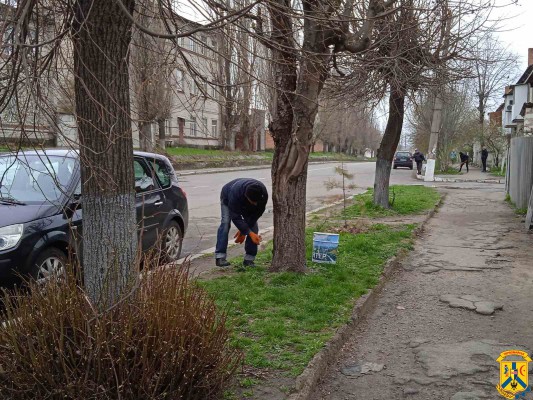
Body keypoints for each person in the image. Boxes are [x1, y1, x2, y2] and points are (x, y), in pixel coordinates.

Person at [215, 178, 268, 267]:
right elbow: (235, 216)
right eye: (253, 202)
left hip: (245, 202)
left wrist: (245, 231)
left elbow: (257, 214)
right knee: (225, 223)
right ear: (246, 196)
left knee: (253, 227)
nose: (255, 204)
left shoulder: (262, 194)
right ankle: (220, 256)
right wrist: (247, 232)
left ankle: (249, 259)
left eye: (257, 202)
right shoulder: (236, 193)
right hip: (227, 197)